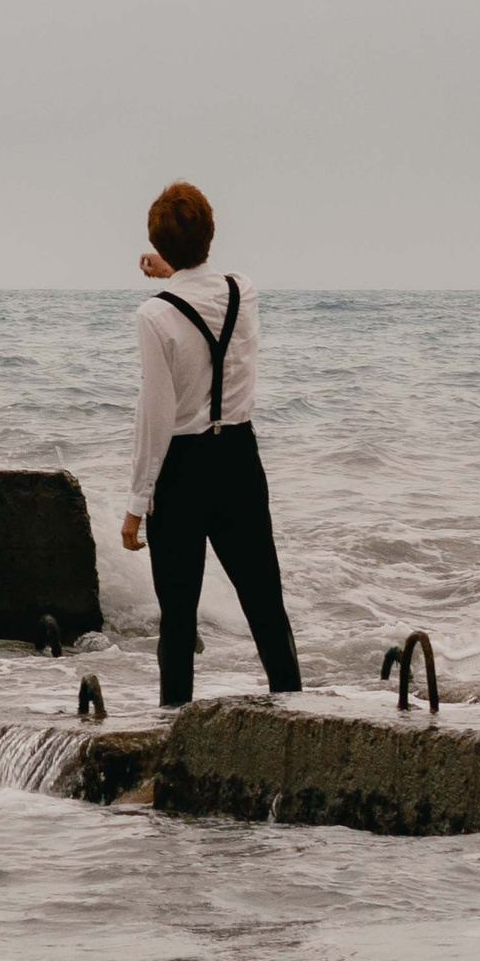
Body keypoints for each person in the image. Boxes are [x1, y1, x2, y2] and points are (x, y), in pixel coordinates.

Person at [121, 180, 302, 707]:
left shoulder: (154, 316)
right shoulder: (245, 290)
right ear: (211, 233)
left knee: (178, 619)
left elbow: (154, 416)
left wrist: (136, 505)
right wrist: (174, 268)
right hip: (239, 460)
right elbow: (203, 282)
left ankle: (173, 730)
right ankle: (296, 712)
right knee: (266, 604)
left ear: (160, 245)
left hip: (182, 472)